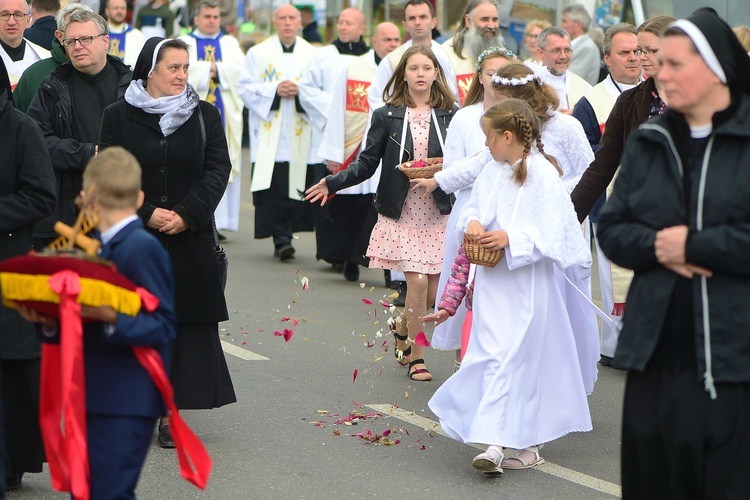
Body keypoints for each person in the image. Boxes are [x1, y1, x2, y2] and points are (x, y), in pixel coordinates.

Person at [596, 11, 750, 498]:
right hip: (654, 358)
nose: (659, 73)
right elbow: (614, 229)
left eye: (674, 64)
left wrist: (696, 245)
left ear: (717, 67)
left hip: (733, 362)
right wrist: (659, 245)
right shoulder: (650, 140)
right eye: (656, 62)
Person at [427, 98, 596, 476]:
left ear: (507, 136)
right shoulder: (492, 169)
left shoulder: (544, 175)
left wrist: (512, 239)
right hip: (490, 284)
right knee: (489, 357)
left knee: (517, 361)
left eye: (489, 138)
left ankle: (499, 443)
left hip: (527, 287)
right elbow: (475, 208)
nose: (485, 145)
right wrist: (472, 223)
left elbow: (555, 232)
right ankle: (501, 440)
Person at [18, 147, 178, 499]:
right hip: (95, 394)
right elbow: (85, 320)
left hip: (127, 398)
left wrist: (111, 319)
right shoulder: (100, 248)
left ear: (86, 199)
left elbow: (164, 325)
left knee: (108, 493)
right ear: (139, 198)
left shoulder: (140, 247)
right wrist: (47, 322)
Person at [99, 37, 235, 448]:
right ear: (150, 71)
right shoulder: (118, 116)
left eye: (185, 67)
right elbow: (108, 172)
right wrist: (145, 214)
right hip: (136, 238)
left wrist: (187, 214)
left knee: (180, 328)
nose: (181, 75)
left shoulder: (204, 115)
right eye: (173, 68)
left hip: (187, 238)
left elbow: (217, 168)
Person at [306, 45, 457, 382]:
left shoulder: (450, 115)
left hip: (438, 213)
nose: (420, 74)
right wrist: (333, 183)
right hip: (401, 213)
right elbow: (367, 162)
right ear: (402, 73)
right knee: (415, 284)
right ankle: (418, 356)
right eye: (414, 68)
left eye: (427, 68)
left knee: (432, 294)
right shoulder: (387, 115)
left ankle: (402, 326)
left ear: (436, 73)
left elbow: (462, 161)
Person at [431, 46, 516, 370]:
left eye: (504, 73)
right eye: (491, 73)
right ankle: (461, 355)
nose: (497, 79)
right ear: (480, 77)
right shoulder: (465, 117)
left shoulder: (520, 117)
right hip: (472, 205)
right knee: (464, 279)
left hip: (507, 209)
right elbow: (454, 165)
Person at [26, 9, 131, 250]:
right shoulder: (52, 88)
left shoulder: (132, 86)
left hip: (120, 207)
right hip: (67, 209)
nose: (78, 46)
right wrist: (88, 153)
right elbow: (37, 142)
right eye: (71, 41)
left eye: (86, 39)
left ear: (105, 41)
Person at [0, 55, 55, 495]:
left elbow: (40, 195)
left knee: (10, 367)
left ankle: (12, 460)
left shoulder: (21, 129)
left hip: (9, 260)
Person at [571, 22, 641, 365]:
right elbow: (589, 157)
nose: (633, 59)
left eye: (637, 51)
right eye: (624, 52)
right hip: (609, 202)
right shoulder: (591, 102)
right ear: (606, 58)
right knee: (614, 282)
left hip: (650, 201)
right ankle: (615, 348)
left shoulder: (657, 94)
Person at [419, 63, 593, 199]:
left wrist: (552, 195)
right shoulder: (510, 131)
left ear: (521, 99)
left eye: (501, 102)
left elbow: (588, 173)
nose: (498, 108)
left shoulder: (567, 126)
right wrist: (438, 180)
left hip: (561, 212)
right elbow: (480, 162)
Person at [312, 20, 401, 282]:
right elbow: (337, 110)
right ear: (374, 40)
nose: (393, 45)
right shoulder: (354, 67)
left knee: (383, 212)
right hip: (358, 149)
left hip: (390, 151)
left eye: (396, 40)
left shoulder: (405, 67)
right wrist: (333, 153)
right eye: (387, 40)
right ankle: (350, 260)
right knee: (353, 209)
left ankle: (389, 271)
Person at [570, 15, 675, 221]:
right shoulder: (629, 102)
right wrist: (568, 218)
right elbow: (602, 165)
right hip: (642, 215)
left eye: (652, 51)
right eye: (641, 50)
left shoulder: (703, 96)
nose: (641, 57)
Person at [238, 4, 317, 260]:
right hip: (269, 132)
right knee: (272, 187)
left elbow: (323, 91)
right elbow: (245, 87)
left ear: (299, 23)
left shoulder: (313, 54)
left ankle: (290, 231)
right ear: (274, 22)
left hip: (299, 130)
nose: (287, 23)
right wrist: (274, 89)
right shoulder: (258, 53)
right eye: (281, 18)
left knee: (297, 184)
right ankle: (280, 238)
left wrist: (300, 93)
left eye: (291, 18)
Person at [180, 0, 244, 236]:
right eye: (207, 16)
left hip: (224, 114)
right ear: (196, 19)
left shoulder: (230, 42)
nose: (211, 21)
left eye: (215, 17)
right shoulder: (184, 41)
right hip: (191, 113)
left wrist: (217, 70)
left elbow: (242, 70)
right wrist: (210, 69)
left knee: (220, 162)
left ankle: (220, 220)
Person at [368, 0, 457, 112]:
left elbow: (454, 95)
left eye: (423, 17)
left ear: (434, 22)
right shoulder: (391, 60)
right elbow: (377, 99)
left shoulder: (447, 55)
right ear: (405, 25)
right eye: (412, 18)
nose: (417, 22)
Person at [12, 2, 92, 112]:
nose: (78, 44)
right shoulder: (34, 75)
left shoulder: (113, 71)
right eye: (70, 32)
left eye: (85, 35)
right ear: (60, 36)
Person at [442, 0, 507, 105]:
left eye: (495, 20)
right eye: (485, 19)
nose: (491, 25)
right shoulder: (446, 53)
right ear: (468, 21)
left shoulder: (502, 53)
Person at [535, 25, 592, 113]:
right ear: (541, 53)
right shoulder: (529, 82)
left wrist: (577, 116)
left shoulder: (585, 89)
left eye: (567, 50)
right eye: (556, 50)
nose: (563, 56)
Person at [0, 0, 51, 88]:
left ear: (28, 20)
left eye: (18, 15)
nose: (11, 22)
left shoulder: (46, 57)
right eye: (4, 15)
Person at [561, 4, 601, 86]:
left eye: (564, 21)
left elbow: (571, 79)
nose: (561, 25)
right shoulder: (574, 45)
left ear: (578, 25)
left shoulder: (588, 48)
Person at [105, 0, 146, 67]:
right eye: (116, 8)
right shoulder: (99, 33)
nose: (119, 11)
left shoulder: (137, 35)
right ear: (107, 11)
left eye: (123, 8)